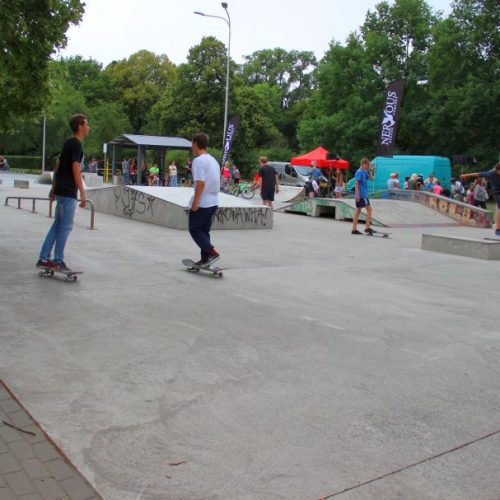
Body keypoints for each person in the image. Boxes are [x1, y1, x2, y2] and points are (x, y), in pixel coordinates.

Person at [36, 114, 90, 271]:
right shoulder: (77, 145)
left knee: (57, 225)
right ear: (80, 126)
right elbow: (75, 168)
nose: (88, 127)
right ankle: (58, 260)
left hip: (60, 191)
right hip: (68, 193)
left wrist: (53, 189)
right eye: (86, 124)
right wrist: (82, 193)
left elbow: (57, 167)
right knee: (65, 227)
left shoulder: (68, 143)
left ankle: (44, 258)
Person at [189, 133, 221, 266]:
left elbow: (201, 183)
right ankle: (206, 258)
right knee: (204, 231)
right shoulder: (213, 160)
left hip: (203, 202)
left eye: (192, 143)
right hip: (213, 202)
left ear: (196, 144)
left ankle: (212, 252)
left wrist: (196, 202)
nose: (192, 147)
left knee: (195, 230)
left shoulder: (198, 161)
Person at [351, 157, 374, 235]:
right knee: (369, 209)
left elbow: (371, 178)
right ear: (364, 164)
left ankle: (354, 229)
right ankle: (367, 228)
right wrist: (357, 194)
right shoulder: (359, 172)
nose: (368, 167)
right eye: (367, 165)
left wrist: (370, 170)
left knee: (358, 211)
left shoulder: (364, 172)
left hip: (363, 194)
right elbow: (356, 183)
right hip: (361, 194)